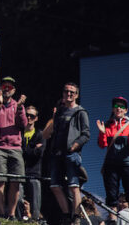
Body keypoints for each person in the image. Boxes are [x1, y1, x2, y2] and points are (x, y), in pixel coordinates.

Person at [43, 81, 92, 225]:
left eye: (72, 92)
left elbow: (86, 134)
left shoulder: (80, 112)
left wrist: (74, 146)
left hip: (71, 154)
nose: (68, 94)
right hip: (57, 154)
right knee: (55, 186)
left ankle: (76, 216)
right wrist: (54, 115)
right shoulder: (59, 112)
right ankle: (66, 215)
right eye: (66, 91)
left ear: (76, 95)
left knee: (73, 185)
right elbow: (47, 134)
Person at [97, 95, 129, 225]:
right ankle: (113, 222)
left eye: (122, 106)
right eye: (116, 106)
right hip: (111, 165)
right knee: (111, 196)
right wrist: (102, 132)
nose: (119, 108)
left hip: (128, 164)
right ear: (113, 109)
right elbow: (102, 144)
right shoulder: (107, 124)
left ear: (126, 110)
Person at [0, 76, 28, 218]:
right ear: (0, 88)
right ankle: (1, 212)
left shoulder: (18, 106)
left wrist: (19, 108)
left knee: (16, 181)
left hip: (15, 148)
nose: (7, 89)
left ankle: (11, 214)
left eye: (9, 87)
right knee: (0, 180)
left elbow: (23, 125)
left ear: (14, 90)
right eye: (4, 86)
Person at [21, 104, 46, 221]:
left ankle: (35, 220)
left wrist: (26, 150)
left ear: (36, 118)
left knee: (35, 200)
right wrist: (33, 149)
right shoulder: (19, 133)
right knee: (18, 197)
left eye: (32, 116)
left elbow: (39, 153)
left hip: (34, 172)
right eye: (27, 115)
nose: (29, 118)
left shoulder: (40, 134)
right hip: (19, 171)